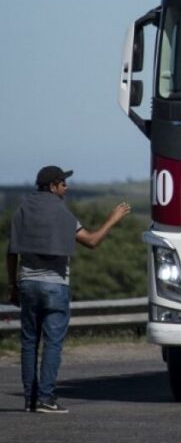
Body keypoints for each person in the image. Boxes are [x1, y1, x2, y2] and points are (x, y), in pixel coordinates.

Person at [6, 166, 131, 414]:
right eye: (63, 183)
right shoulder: (64, 215)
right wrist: (113, 219)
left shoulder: (22, 212)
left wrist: (13, 286)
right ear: (52, 187)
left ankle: (30, 400)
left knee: (29, 343)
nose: (67, 187)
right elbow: (92, 241)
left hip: (28, 285)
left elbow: (11, 253)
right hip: (55, 286)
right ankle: (46, 399)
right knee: (52, 343)